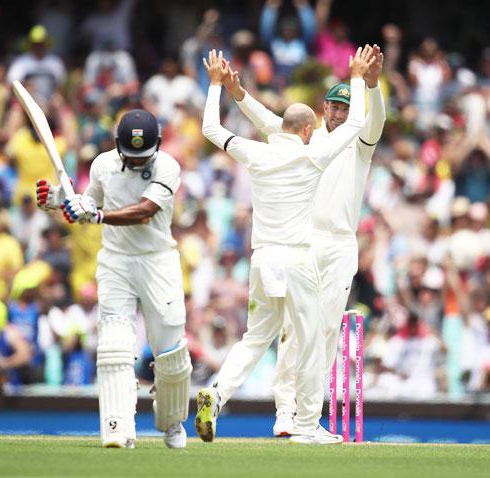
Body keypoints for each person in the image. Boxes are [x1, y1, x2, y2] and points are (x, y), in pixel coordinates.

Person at [195, 47, 373, 445]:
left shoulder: (256, 152)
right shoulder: (314, 156)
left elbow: (211, 130)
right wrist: (359, 77)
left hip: (261, 261)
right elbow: (358, 121)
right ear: (310, 129)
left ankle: (217, 392)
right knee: (312, 343)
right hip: (298, 260)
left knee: (256, 338)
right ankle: (307, 426)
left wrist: (217, 88)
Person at [36, 109, 191, 449]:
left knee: (170, 352)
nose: (136, 164)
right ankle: (118, 427)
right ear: (117, 145)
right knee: (114, 345)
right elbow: (90, 202)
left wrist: (97, 214)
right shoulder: (103, 164)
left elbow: (144, 211)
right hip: (116, 261)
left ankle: (172, 422)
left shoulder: (168, 167)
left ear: (158, 145)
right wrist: (62, 201)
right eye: (129, 156)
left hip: (158, 261)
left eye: (142, 157)